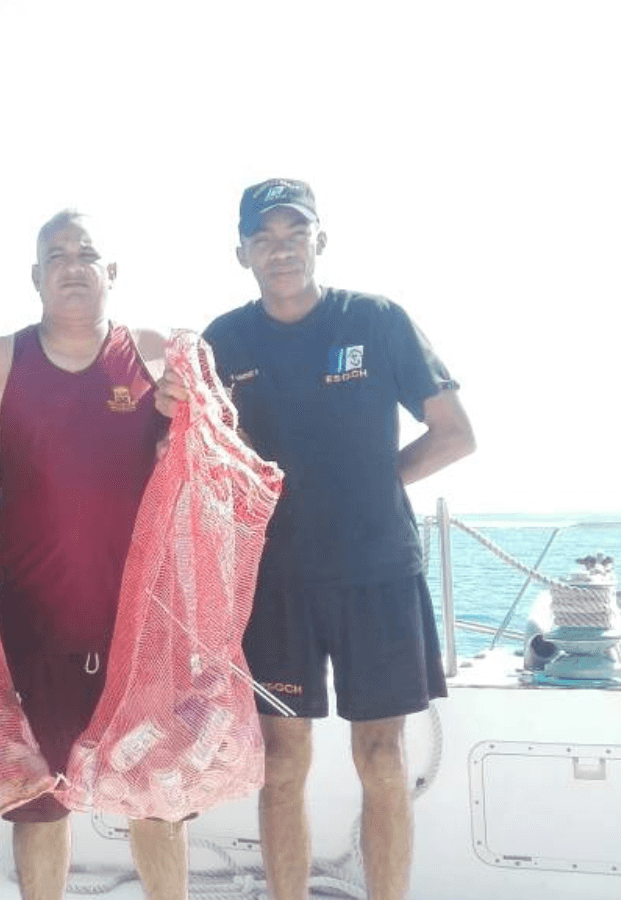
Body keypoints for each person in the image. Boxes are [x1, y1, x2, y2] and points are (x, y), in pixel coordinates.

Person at [196, 178, 475, 900]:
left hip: (378, 575)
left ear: (321, 240)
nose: (281, 250)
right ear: (241, 253)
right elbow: (199, 460)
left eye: (295, 235)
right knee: (282, 765)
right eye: (264, 238)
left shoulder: (379, 321)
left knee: (382, 759)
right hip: (276, 584)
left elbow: (454, 436)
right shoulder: (223, 341)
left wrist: (376, 486)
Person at [0, 210, 188, 900]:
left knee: (153, 799)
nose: (73, 265)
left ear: (111, 273)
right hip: (32, 627)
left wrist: (196, 407)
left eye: (87, 253)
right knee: (41, 803)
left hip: (139, 627)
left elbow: (199, 456)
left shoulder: (154, 354)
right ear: (35, 276)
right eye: (56, 255)